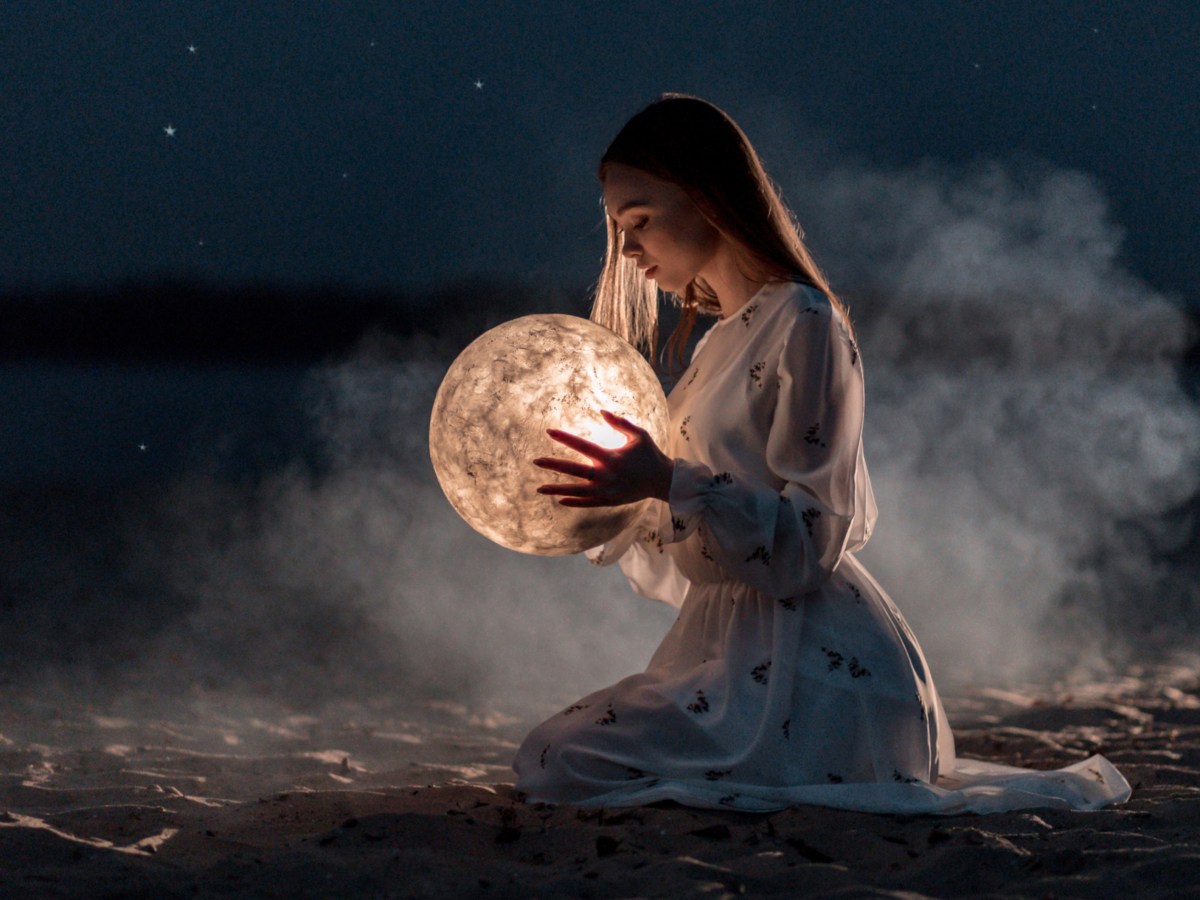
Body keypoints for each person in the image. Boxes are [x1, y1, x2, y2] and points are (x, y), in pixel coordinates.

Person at [512, 94, 1129, 814]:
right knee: (554, 755)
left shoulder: (805, 321)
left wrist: (670, 480)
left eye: (640, 220)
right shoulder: (724, 337)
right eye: (619, 229)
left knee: (560, 760)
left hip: (814, 667)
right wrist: (625, 493)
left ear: (708, 197)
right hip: (731, 647)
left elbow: (811, 539)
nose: (626, 249)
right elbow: (699, 538)